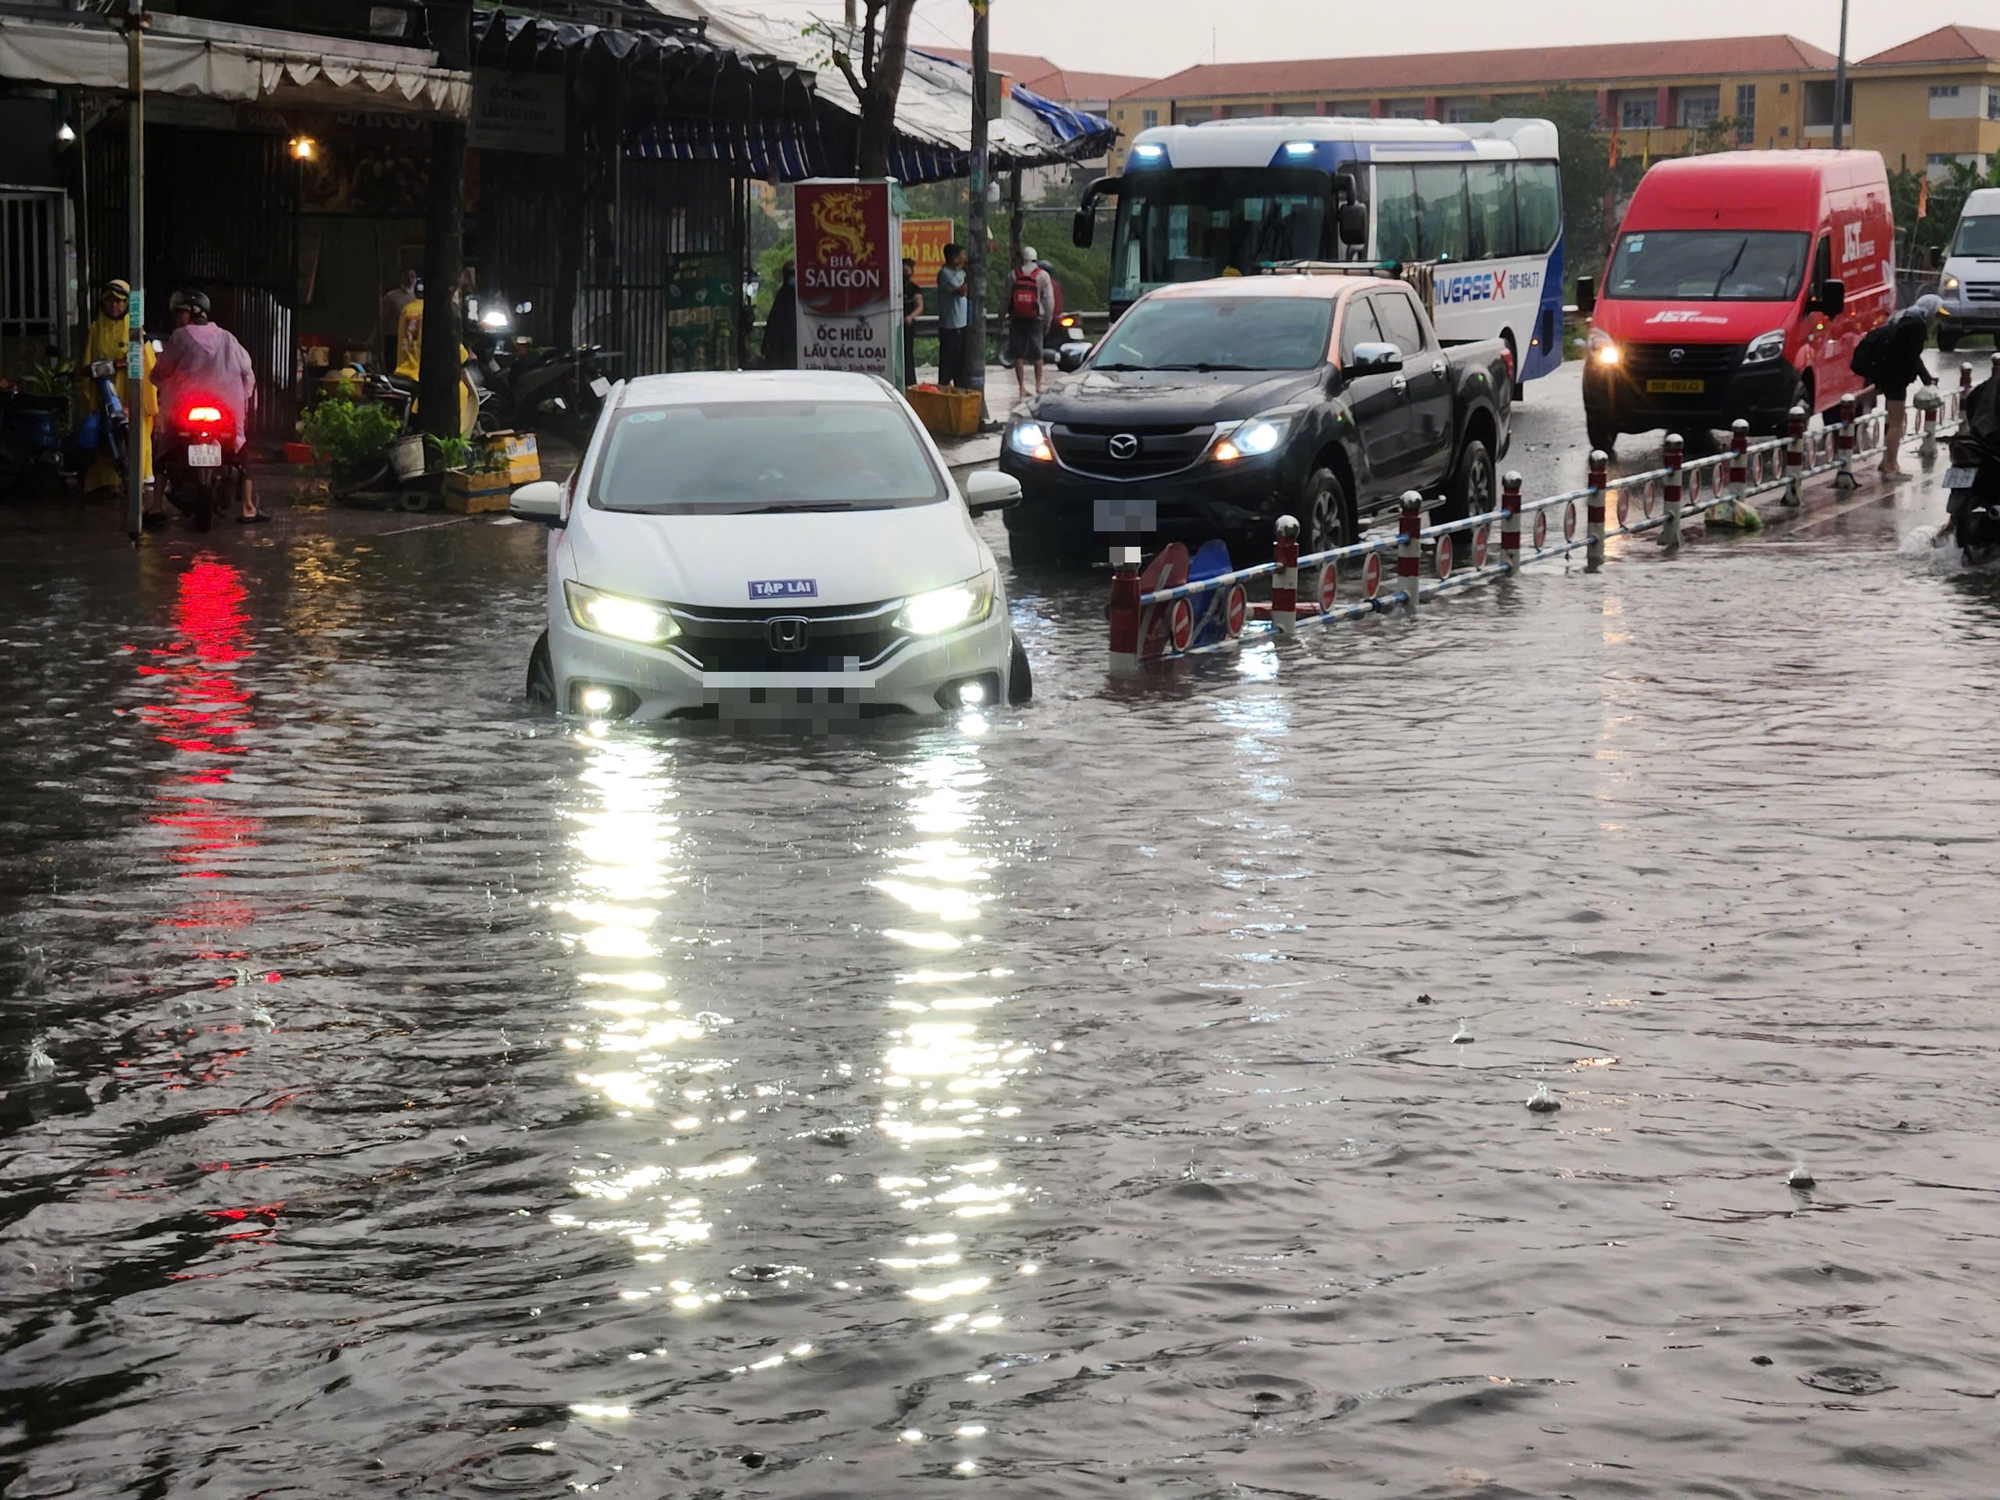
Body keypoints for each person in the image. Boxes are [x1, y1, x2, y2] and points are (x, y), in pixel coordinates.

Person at [153, 289, 265, 522]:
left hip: (186, 411)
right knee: (240, 453)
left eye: (181, 312)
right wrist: (243, 400)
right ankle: (247, 506)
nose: (178, 318)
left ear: (194, 312)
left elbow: (161, 371)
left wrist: (158, 380)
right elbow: (247, 371)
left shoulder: (180, 337)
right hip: (225, 411)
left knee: (165, 451)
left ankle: (155, 506)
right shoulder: (227, 337)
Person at [78, 278, 158, 512]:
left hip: (130, 393)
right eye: (110, 301)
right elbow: (88, 362)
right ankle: (107, 483)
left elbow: (147, 365)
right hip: (105, 392)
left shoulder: (135, 330)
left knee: (135, 434)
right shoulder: (96, 329)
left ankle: (138, 479)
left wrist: (140, 402)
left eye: (120, 301)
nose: (114, 306)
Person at [1873, 295, 1942, 480]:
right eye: (1936, 315)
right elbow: (1913, 357)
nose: (1936, 320)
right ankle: (1891, 466)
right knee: (1896, 422)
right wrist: (1927, 380)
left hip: (1886, 372)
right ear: (1928, 310)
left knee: (1891, 418)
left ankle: (1885, 461)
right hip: (1896, 377)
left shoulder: (1901, 317)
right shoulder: (1915, 326)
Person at [1007, 245, 1055, 402]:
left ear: (1022, 258)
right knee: (1037, 352)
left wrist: (1002, 317)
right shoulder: (1043, 276)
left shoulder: (1013, 275)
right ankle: (1038, 385)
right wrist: (1048, 320)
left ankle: (1021, 387)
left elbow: (1005, 298)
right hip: (1036, 318)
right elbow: (1049, 300)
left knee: (1018, 353)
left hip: (1017, 317)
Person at [935, 243, 968, 389]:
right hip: (950, 325)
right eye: (961, 255)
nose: (963, 258)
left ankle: (959, 387)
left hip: (962, 323)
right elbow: (961, 291)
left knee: (960, 363)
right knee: (948, 361)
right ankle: (944, 387)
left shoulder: (961, 272)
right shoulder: (945, 274)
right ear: (954, 258)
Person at [377, 267, 417, 369]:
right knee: (393, 366)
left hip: (411, 338)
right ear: (402, 278)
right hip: (393, 337)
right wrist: (376, 339)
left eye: (412, 276)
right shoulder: (391, 297)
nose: (409, 279)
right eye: (407, 275)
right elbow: (381, 318)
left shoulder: (417, 298)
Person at [761, 260, 798, 370]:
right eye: (791, 274)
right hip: (781, 347)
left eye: (795, 274)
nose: (793, 278)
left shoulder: (801, 297)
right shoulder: (783, 295)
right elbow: (773, 321)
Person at [900, 257, 923, 388]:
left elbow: (919, 305)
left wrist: (911, 317)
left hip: (908, 325)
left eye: (907, 270)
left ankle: (910, 382)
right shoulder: (894, 287)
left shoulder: (914, 288)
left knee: (908, 354)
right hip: (894, 325)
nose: (905, 273)